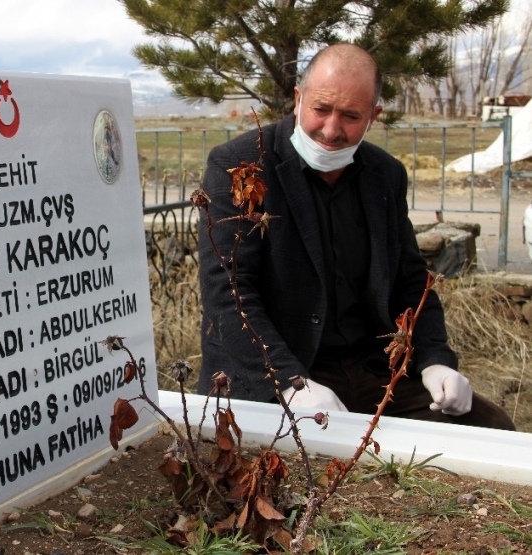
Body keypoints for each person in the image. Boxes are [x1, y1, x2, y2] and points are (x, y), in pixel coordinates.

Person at [197, 43, 515, 430]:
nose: (331, 130)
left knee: (491, 428)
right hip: (279, 369)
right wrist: (289, 381)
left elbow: (411, 281)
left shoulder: (385, 176)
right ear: (299, 99)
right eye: (321, 109)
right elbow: (228, 293)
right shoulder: (242, 167)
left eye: (350, 116)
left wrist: (435, 361)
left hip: (370, 370)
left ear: (373, 116)